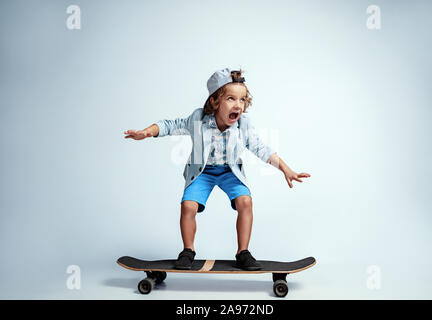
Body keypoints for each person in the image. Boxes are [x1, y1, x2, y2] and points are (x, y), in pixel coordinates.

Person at [124, 68, 310, 270]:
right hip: (202, 172)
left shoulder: (243, 125)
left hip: (230, 172)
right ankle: (188, 251)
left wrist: (286, 169)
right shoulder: (198, 118)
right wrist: (147, 132)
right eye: (231, 98)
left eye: (242, 100)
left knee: (245, 202)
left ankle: (243, 253)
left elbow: (261, 148)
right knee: (188, 206)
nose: (238, 105)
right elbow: (170, 125)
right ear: (214, 102)